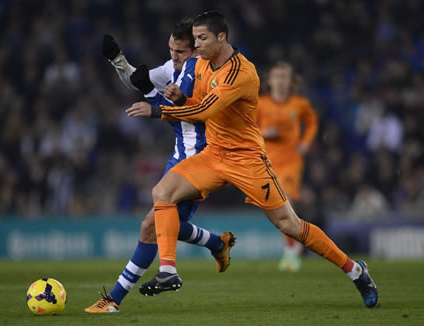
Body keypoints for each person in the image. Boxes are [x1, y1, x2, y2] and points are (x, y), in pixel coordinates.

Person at [126, 11, 378, 308]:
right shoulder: (204, 64)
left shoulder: (241, 73)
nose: (197, 45)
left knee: (289, 225)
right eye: (195, 39)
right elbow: (199, 107)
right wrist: (181, 100)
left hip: (246, 159)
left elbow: (207, 110)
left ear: (222, 37)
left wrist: (159, 110)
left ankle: (356, 271)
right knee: (162, 192)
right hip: (214, 154)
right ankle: (168, 270)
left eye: (202, 38)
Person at [85, 19, 236, 314]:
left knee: (150, 226)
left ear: (195, 49)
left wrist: (152, 101)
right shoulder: (173, 67)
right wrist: (118, 60)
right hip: (179, 155)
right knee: (169, 225)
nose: (174, 57)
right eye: (171, 50)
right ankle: (218, 244)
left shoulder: (201, 72)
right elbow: (135, 80)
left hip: (201, 159)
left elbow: (189, 114)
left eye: (179, 51)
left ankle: (113, 300)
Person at [257, 62, 318, 272]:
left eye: (284, 76)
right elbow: (248, 129)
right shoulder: (260, 104)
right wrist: (265, 133)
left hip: (291, 164)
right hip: (267, 165)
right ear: (269, 80)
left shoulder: (300, 104)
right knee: (277, 210)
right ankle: (294, 245)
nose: (281, 80)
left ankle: (292, 250)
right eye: (277, 76)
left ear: (291, 81)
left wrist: (306, 143)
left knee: (285, 203)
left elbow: (312, 122)